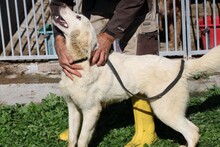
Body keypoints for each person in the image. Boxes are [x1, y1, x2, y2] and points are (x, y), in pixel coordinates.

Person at [50, 0, 159, 145]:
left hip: (134, 6)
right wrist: (59, 38)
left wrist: (108, 36)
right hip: (96, 4)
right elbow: (60, 2)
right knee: (85, 52)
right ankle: (79, 126)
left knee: (139, 63)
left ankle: (146, 130)